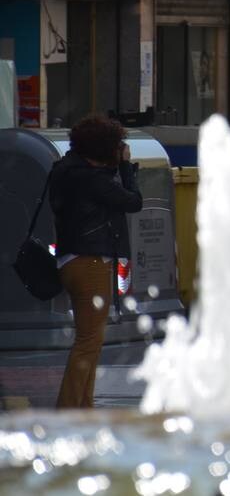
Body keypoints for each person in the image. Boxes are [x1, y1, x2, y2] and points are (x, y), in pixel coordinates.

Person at [50, 115, 143, 408]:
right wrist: (126, 167)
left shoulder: (67, 171)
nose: (121, 150)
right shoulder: (92, 180)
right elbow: (133, 202)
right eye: (117, 145)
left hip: (72, 261)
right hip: (91, 263)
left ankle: (83, 407)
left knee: (91, 340)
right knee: (88, 342)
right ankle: (67, 411)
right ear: (104, 149)